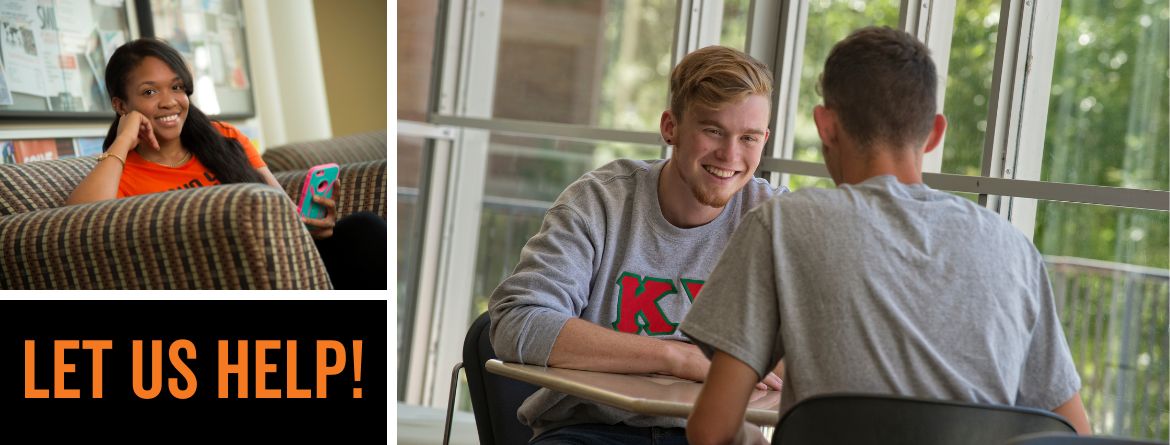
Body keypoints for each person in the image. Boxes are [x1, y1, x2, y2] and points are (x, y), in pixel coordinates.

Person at [680, 27, 1091, 445]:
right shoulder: (1013, 247)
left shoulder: (781, 226)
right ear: (934, 132)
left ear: (826, 126)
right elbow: (1074, 434)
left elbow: (711, 431)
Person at [487, 45, 786, 444]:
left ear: (764, 140)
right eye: (712, 130)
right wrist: (677, 357)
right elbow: (517, 321)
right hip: (591, 430)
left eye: (748, 137)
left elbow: (824, 349)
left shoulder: (777, 220)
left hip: (716, 435)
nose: (730, 155)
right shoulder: (601, 201)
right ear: (670, 127)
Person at [65, 38, 385, 289]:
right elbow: (73, 225)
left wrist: (308, 228)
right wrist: (123, 140)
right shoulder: (121, 174)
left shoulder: (223, 137)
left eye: (177, 87)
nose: (169, 101)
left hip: (282, 262)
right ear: (121, 105)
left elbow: (281, 210)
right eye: (149, 92)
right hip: (219, 278)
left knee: (363, 230)